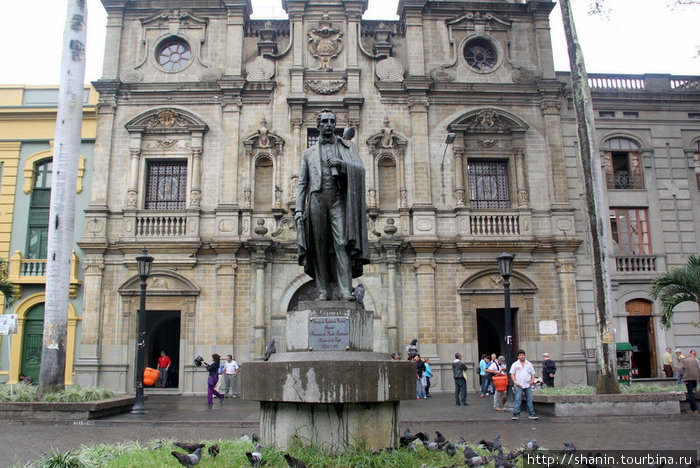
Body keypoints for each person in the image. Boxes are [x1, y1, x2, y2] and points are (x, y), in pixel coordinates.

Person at [295, 108, 369, 302]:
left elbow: (360, 170)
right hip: (317, 200)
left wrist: (341, 164)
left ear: (335, 125)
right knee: (318, 246)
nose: (328, 125)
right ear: (318, 125)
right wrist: (298, 209)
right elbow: (303, 182)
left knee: (342, 243)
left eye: (331, 122)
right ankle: (323, 291)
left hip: (338, 200)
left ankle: (345, 290)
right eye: (324, 121)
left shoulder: (347, 147)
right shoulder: (307, 153)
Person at [510, 349, 538, 420]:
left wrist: (532, 380)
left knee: (529, 399)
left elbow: (533, 373)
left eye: (523, 355)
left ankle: (531, 413)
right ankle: (516, 414)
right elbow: (512, 374)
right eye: (520, 355)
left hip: (528, 384)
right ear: (518, 357)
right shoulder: (515, 364)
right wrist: (515, 382)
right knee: (518, 399)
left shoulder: (529, 364)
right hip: (518, 384)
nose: (522, 356)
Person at [679, 349, 699, 414]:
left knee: (690, 393)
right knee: (695, 391)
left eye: (695, 354)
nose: (694, 355)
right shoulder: (696, 360)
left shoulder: (685, 360)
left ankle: (694, 409)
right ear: (691, 354)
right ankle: (694, 408)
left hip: (688, 378)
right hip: (695, 378)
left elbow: (680, 368)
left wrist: (682, 375)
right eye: (694, 354)